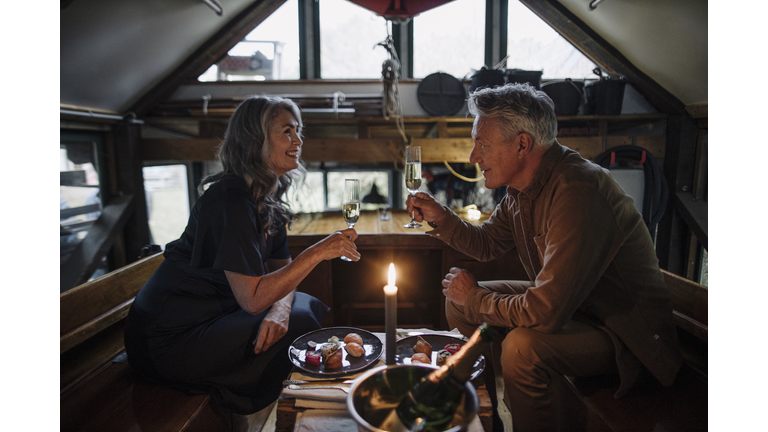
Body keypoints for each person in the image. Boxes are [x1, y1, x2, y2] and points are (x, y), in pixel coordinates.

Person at [406, 83, 682, 431]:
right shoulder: (524, 188)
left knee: (522, 348)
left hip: (624, 335)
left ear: (522, 144)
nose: (474, 156)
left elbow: (546, 313)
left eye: (483, 144)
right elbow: (488, 243)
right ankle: (489, 414)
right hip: (576, 308)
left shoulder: (576, 190)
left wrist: (476, 297)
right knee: (458, 303)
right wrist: (441, 217)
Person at [124, 95, 361, 415]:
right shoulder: (230, 199)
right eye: (287, 131)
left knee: (297, 308)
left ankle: (293, 404)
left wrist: (279, 310)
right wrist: (318, 252)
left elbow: (283, 268)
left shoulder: (266, 197)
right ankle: (283, 408)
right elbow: (252, 300)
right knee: (301, 314)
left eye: (299, 131)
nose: (298, 140)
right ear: (255, 139)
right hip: (169, 336)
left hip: (215, 312)